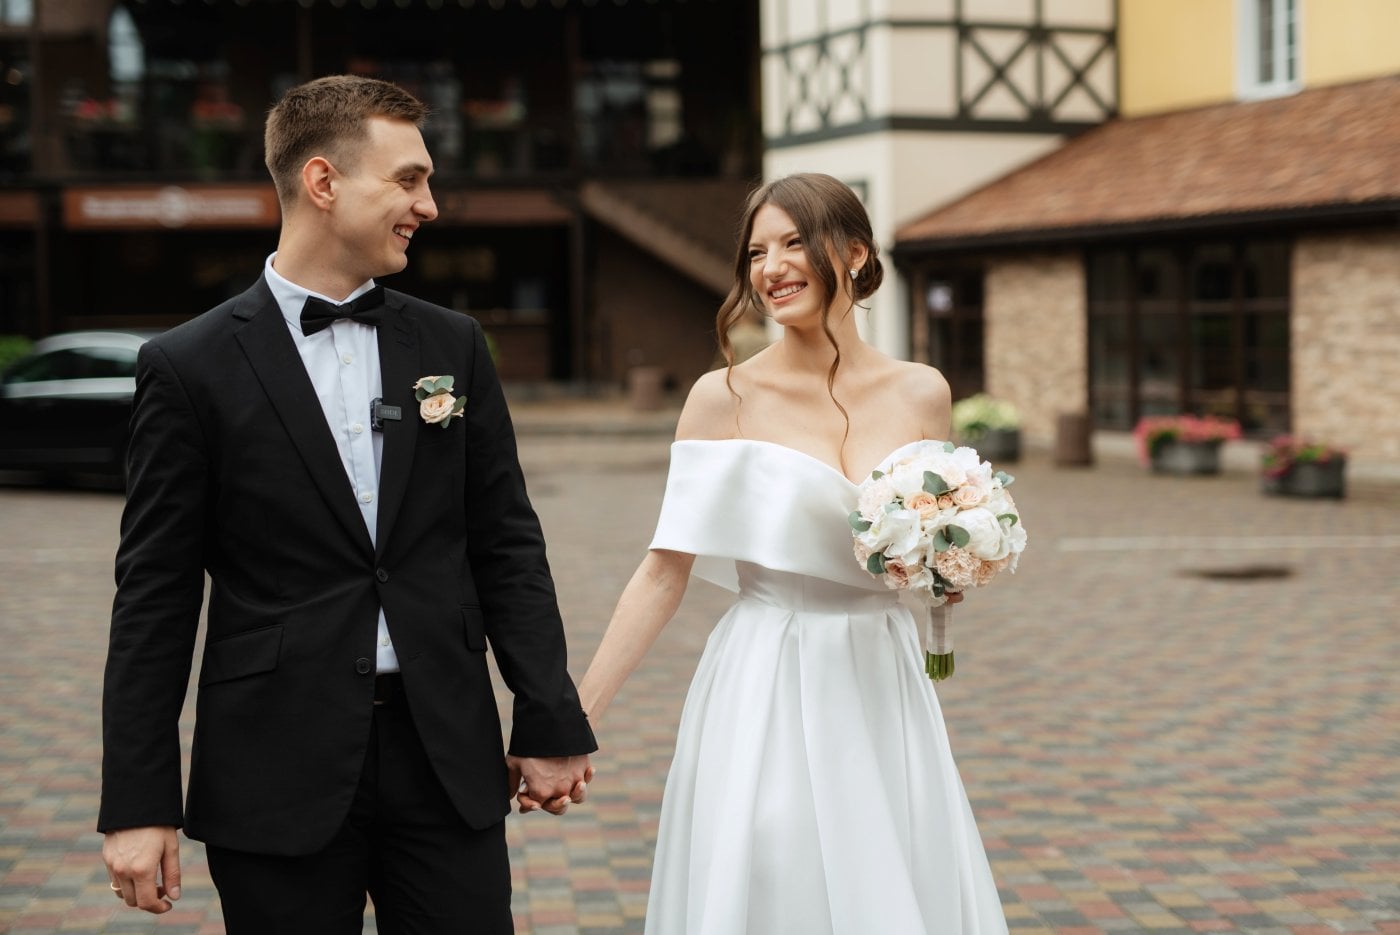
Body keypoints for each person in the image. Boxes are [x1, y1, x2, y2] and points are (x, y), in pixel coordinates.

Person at [98, 75, 595, 934]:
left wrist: (549, 714)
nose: (428, 204)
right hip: (273, 766)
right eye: (408, 179)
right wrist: (138, 803)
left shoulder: (452, 344)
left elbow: (507, 543)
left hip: (444, 755)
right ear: (323, 182)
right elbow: (155, 595)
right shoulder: (188, 366)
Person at [577, 173, 1009, 934]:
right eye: (756, 252)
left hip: (881, 669)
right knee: (773, 869)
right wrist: (577, 718)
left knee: (889, 868)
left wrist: (953, 562)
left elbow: (929, 540)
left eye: (793, 243)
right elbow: (664, 570)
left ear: (855, 253)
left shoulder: (923, 392)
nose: (771, 268)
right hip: (767, 670)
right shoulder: (723, 397)